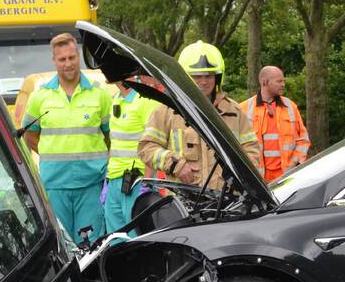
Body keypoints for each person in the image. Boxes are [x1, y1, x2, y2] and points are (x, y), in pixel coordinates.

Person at [21, 33, 112, 242]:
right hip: (54, 186)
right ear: (54, 61)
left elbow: (109, 137)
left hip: (91, 185)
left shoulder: (100, 95)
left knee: (91, 245)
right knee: (60, 244)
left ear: (78, 56)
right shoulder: (40, 97)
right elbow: (29, 135)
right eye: (62, 59)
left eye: (72, 58)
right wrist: (50, 153)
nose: (68, 64)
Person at [139, 40, 260, 191]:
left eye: (209, 76)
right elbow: (146, 147)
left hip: (227, 201)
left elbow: (251, 149)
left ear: (217, 77)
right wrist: (175, 164)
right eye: (197, 76)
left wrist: (240, 175)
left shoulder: (233, 111)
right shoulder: (167, 110)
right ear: (185, 77)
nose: (203, 81)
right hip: (185, 200)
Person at [104, 80, 159, 234]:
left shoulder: (145, 99)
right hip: (115, 181)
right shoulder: (116, 98)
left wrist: (147, 183)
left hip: (136, 182)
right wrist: (108, 181)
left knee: (137, 239)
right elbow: (115, 143)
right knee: (115, 241)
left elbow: (153, 143)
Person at [240, 66, 310, 182]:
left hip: (287, 178)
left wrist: (296, 162)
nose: (283, 84)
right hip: (257, 180)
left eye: (283, 81)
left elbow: (303, 139)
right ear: (264, 82)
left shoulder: (290, 106)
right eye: (279, 81)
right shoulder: (243, 109)